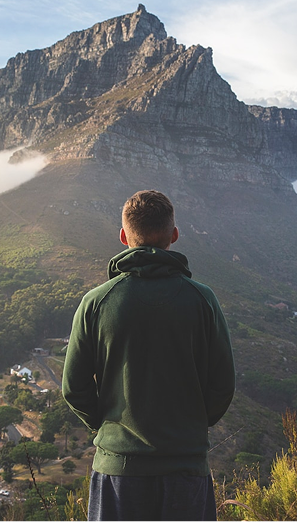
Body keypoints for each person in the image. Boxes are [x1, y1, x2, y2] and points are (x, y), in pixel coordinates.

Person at [62, 190, 236, 521]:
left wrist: (109, 428)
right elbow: (223, 385)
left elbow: (74, 387)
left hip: (118, 473)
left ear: (124, 236)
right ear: (173, 235)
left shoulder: (97, 302)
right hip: (186, 469)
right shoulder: (202, 300)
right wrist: (191, 426)